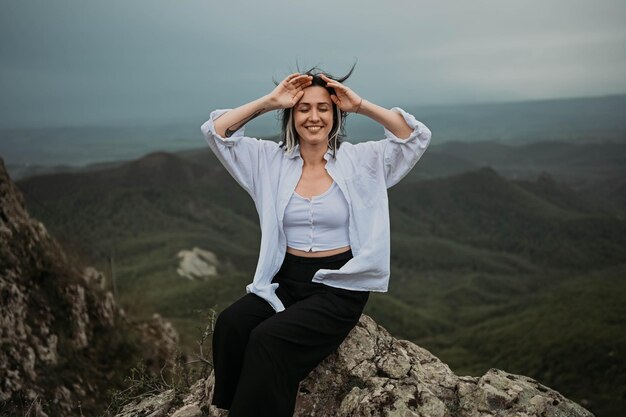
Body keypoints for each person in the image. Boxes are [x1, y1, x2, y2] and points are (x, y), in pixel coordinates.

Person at [200, 65, 432, 417]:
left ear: (336, 114)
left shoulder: (361, 160)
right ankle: (236, 406)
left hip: (339, 285)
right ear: (291, 115)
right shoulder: (269, 161)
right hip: (287, 279)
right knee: (233, 324)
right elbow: (217, 132)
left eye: (324, 108)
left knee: (268, 340)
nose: (314, 117)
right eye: (303, 108)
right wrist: (270, 101)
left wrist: (361, 105)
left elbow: (413, 137)